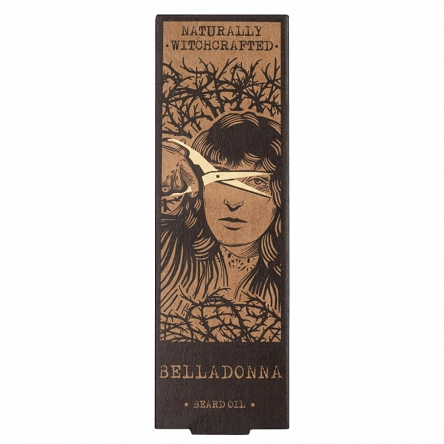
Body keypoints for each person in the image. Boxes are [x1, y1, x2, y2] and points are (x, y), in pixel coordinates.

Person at [160, 112, 283, 342]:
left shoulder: (284, 275)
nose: (233, 201)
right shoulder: (167, 245)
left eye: (256, 182)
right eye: (219, 178)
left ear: (279, 195)